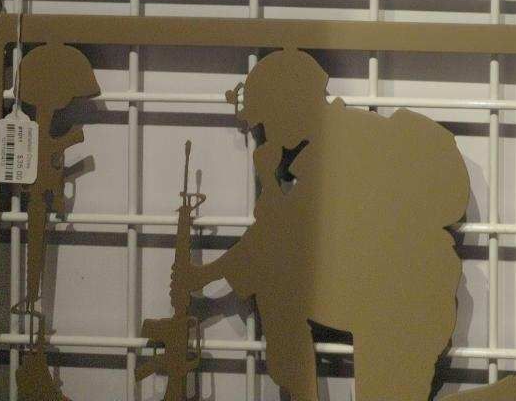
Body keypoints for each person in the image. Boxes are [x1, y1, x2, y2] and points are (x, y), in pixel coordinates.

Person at [173, 50, 470, 401]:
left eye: (268, 123)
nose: (267, 136)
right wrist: (204, 275)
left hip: (402, 309)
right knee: (277, 284)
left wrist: (268, 183)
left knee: (279, 284)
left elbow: (278, 235)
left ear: (290, 107)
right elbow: (273, 242)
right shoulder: (331, 145)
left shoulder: (347, 145)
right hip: (380, 297)